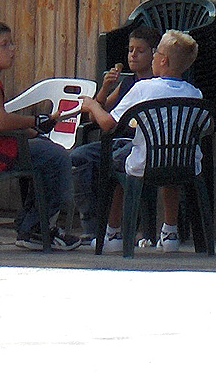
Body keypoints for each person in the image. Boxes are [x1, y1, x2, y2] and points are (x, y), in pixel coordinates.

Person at [0, 20, 81, 251]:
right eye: (4, 45)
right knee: (56, 156)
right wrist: (35, 121)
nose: (12, 50)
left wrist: (27, 130)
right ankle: (36, 229)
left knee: (40, 148)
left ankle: (30, 224)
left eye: (12, 43)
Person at [78, 29, 203, 253]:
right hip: (184, 164)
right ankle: (170, 232)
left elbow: (108, 124)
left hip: (144, 163)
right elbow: (207, 125)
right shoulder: (195, 94)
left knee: (116, 163)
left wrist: (92, 105)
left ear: (163, 60)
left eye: (155, 54)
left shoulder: (143, 88)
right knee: (170, 168)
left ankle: (114, 233)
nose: (153, 57)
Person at [70, 24, 158, 245]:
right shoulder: (128, 82)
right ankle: (91, 226)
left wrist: (91, 105)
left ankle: (119, 228)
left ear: (154, 54)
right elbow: (95, 117)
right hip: (114, 140)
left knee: (115, 163)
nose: (133, 55)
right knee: (77, 158)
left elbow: (102, 118)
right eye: (130, 50)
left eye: (140, 50)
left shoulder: (154, 85)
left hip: (136, 144)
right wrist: (104, 90)